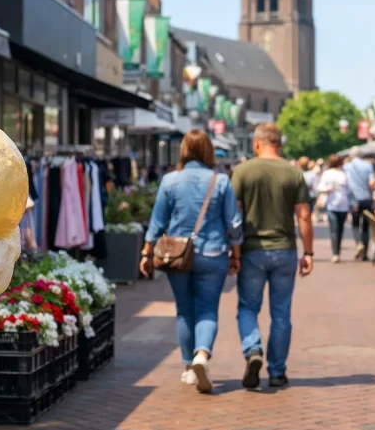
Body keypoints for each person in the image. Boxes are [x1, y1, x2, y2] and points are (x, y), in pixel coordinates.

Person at [140, 130, 243, 393]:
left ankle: (188, 368)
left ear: (183, 150)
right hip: (213, 253)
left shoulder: (170, 180)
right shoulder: (220, 181)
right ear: (209, 151)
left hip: (177, 255)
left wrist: (146, 252)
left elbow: (157, 221)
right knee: (208, 309)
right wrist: (236, 253)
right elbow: (234, 222)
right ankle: (202, 354)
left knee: (185, 310)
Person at [231, 123, 314, 389]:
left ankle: (253, 349)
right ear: (279, 144)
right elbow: (304, 215)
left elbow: (235, 216)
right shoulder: (293, 173)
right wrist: (309, 252)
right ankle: (277, 372)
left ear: (256, 143)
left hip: (252, 250)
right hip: (284, 250)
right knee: (281, 313)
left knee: (247, 308)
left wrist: (234, 252)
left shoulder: (243, 171)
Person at [317, 154, 352, 262]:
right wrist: (328, 189)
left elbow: (349, 189)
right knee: (334, 229)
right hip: (331, 205)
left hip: (343, 205)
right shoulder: (327, 174)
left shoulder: (343, 174)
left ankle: (337, 251)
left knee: (340, 229)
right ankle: (335, 253)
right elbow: (320, 187)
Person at [343, 148, 375, 260]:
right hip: (367, 199)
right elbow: (372, 183)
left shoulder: (347, 166)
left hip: (354, 199)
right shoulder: (368, 165)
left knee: (355, 224)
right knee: (366, 226)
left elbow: (347, 184)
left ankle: (358, 243)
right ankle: (365, 253)